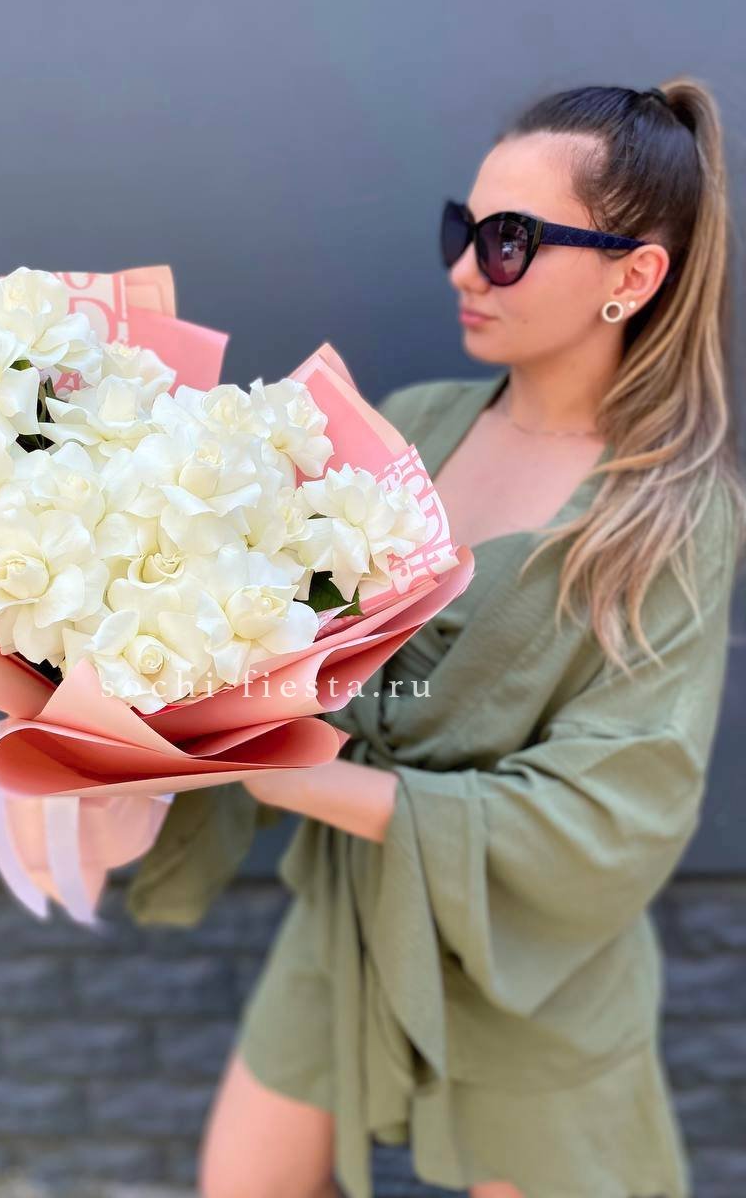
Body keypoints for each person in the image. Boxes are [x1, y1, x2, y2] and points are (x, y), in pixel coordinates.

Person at [124, 78, 746, 1198]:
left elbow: (615, 812)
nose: (464, 269)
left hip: (533, 970)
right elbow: (258, 637)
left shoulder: (674, 514)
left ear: (633, 276)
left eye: (509, 241)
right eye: (463, 229)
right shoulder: (405, 428)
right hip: (352, 919)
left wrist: (288, 774)